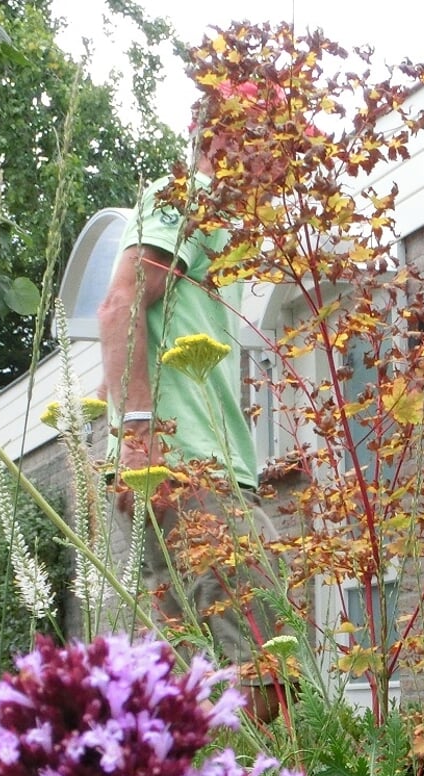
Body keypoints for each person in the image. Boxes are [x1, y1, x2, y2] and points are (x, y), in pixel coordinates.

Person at [98, 159, 286, 720]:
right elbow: (119, 307)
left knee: (187, 676)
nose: (279, 160)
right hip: (185, 468)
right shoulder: (185, 196)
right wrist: (137, 435)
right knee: (261, 664)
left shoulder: (217, 223)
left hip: (193, 465)